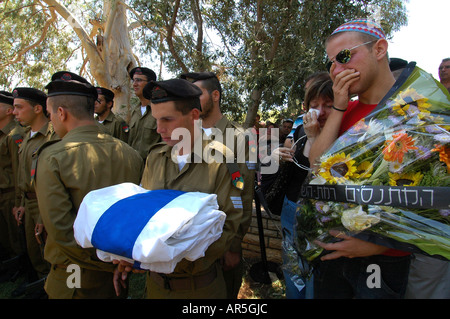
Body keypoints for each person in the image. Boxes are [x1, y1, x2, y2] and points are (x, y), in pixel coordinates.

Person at [113, 78, 245, 299]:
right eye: (156, 119)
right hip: (155, 286)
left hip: (198, 289)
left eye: (167, 119)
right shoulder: (155, 157)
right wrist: (132, 254)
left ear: (194, 115)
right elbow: (144, 214)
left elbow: (227, 226)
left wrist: (159, 258)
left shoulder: (224, 161)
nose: (159, 128)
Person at [308, 19, 411, 299]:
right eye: (332, 64)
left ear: (379, 49)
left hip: (384, 258)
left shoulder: (416, 111)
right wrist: (339, 105)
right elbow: (317, 166)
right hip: (333, 251)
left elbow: (432, 197)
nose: (338, 70)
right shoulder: (343, 109)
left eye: (344, 57)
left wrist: (378, 244)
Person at [33, 72, 143, 299]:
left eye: (50, 113)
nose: (50, 119)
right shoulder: (131, 154)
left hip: (74, 276)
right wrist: (116, 262)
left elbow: (62, 231)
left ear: (61, 113)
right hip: (118, 274)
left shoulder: (53, 157)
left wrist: (103, 263)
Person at [179, 71, 255, 298]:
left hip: (221, 241)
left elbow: (244, 193)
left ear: (215, 95)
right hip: (186, 239)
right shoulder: (184, 135)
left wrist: (232, 246)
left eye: (197, 94)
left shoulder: (240, 137)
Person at [12, 87, 57, 296]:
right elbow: (23, 175)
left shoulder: (51, 136)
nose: (15, 113)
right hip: (28, 203)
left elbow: (50, 180)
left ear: (38, 108)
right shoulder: (26, 136)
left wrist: (41, 213)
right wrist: (21, 202)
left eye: (19, 107)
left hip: (43, 203)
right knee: (35, 254)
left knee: (48, 255)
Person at [0, 91, 25, 280]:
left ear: (9, 110)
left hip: (11, 194)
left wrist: (19, 201)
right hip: (3, 193)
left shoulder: (14, 135)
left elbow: (19, 171)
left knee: (16, 236)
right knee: (6, 237)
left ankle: (22, 270)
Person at [127, 67, 161, 160]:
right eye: (133, 80)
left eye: (139, 80)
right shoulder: (134, 112)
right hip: (133, 167)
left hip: (152, 168)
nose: (134, 84)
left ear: (150, 84)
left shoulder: (160, 110)